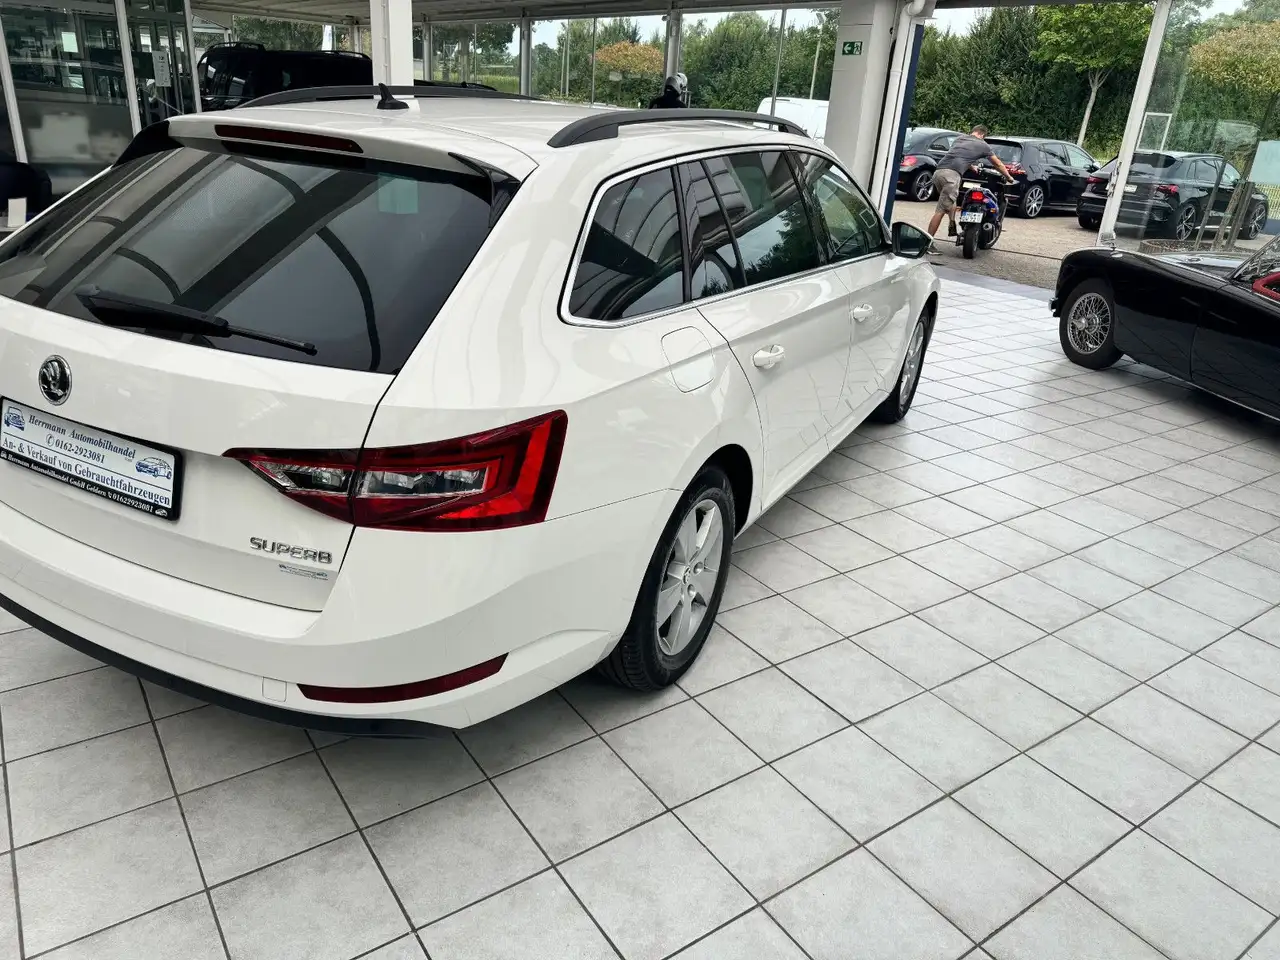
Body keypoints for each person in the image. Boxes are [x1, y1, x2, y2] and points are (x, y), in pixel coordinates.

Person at [926, 124, 1015, 254]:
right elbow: (997, 164)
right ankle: (927, 244)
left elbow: (959, 156)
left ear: (973, 132)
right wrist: (1009, 177)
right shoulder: (983, 145)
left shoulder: (960, 139)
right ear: (983, 135)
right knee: (941, 210)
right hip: (952, 176)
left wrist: (972, 167)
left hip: (938, 172)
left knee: (949, 200)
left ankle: (952, 223)